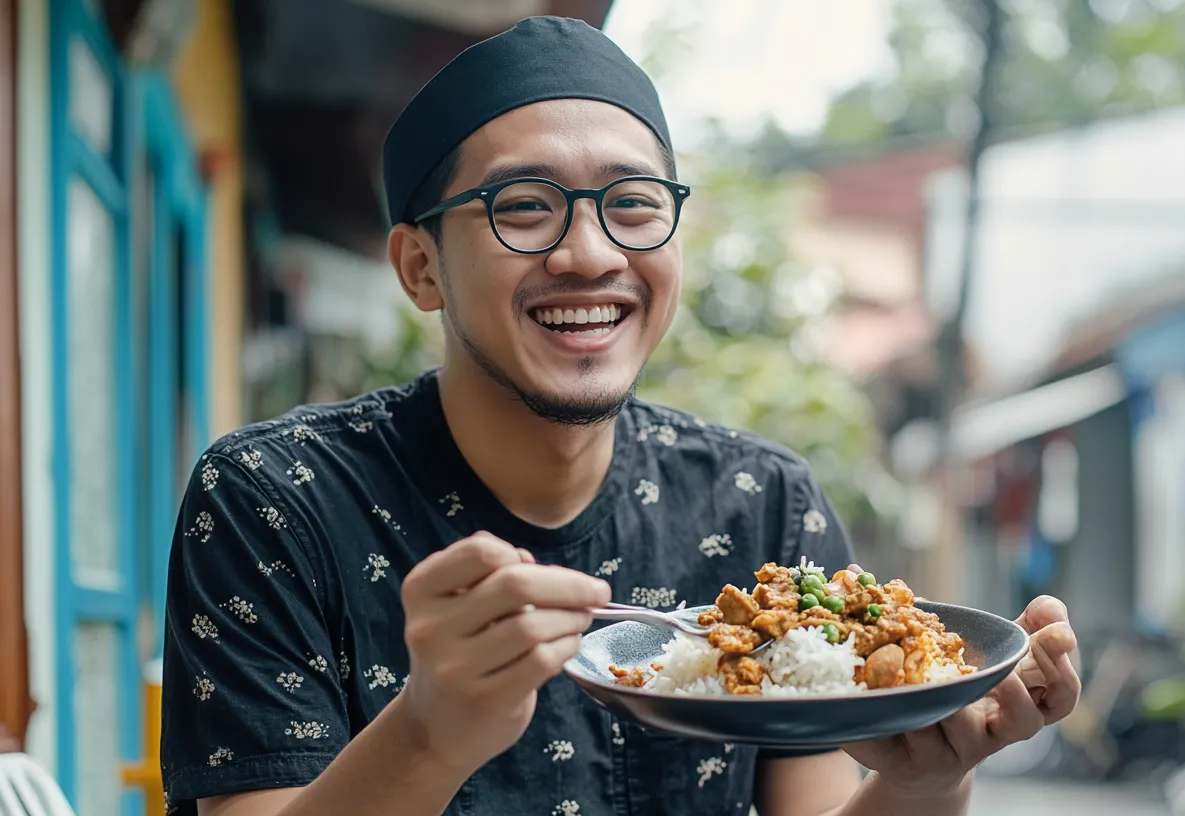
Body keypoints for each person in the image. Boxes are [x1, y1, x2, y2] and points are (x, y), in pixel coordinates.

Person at [158, 16, 1081, 816]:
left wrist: (928, 779)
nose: (590, 254)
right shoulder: (271, 502)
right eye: (523, 208)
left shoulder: (759, 503)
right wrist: (431, 733)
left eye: (633, 206)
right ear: (420, 268)